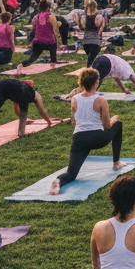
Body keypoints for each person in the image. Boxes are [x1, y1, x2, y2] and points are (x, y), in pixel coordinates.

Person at [49, 66, 128, 195]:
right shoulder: (101, 101)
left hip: (79, 139)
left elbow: (74, 122)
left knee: (71, 173)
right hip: (98, 139)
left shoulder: (74, 99)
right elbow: (107, 126)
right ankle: (116, 163)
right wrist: (113, 119)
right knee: (118, 124)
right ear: (96, 83)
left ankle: (58, 181)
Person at [0, 77, 58, 146]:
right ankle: (21, 132)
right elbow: (41, 110)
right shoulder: (35, 94)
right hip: (13, 89)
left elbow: (16, 109)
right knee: (24, 109)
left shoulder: (20, 86)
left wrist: (25, 121)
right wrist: (49, 122)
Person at [20, 0, 60, 66]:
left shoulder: (36, 17)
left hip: (38, 42)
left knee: (32, 58)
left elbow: (33, 28)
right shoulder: (51, 16)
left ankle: (21, 65)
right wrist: (59, 41)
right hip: (49, 42)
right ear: (48, 7)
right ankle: (53, 63)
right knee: (53, 49)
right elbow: (55, 29)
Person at [80, 0, 105, 67]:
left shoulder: (83, 17)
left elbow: (83, 27)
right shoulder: (99, 17)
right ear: (96, 7)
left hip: (85, 43)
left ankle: (91, 70)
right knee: (90, 62)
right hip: (95, 42)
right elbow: (100, 32)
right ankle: (89, 72)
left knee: (91, 59)